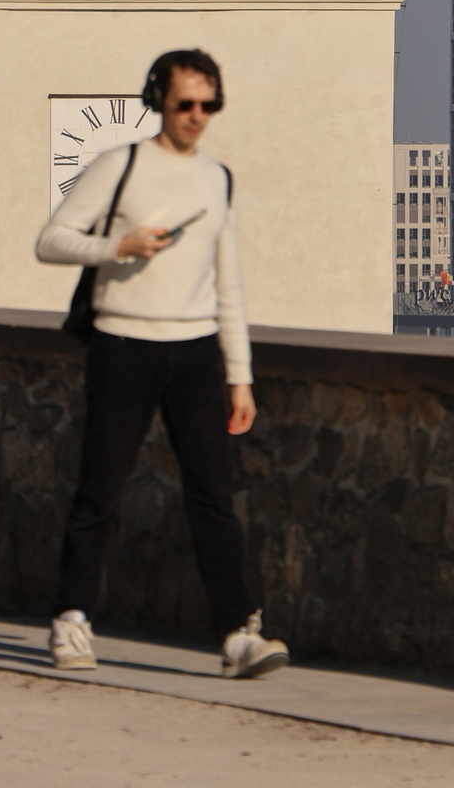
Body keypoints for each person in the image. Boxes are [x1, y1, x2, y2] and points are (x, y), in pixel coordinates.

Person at [36, 48, 288, 679]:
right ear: (160, 101)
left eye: (209, 104)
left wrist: (240, 373)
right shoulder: (120, 165)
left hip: (197, 351)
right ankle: (71, 619)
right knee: (101, 489)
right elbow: (51, 240)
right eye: (185, 104)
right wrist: (115, 247)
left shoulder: (216, 178)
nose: (197, 116)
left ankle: (238, 634)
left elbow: (226, 277)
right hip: (124, 345)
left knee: (213, 497)